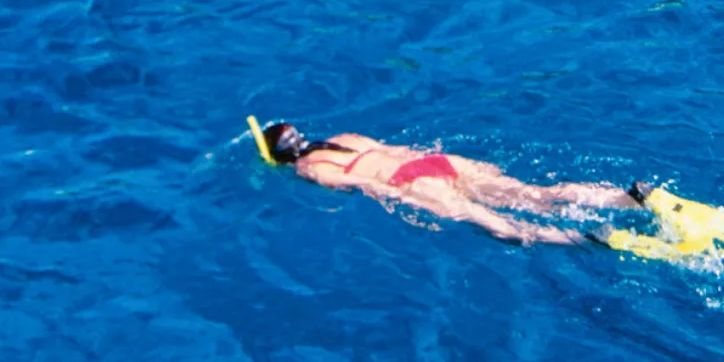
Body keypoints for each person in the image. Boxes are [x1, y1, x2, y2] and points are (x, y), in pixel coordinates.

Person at [254, 121, 640, 245]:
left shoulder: (309, 169)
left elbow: (373, 187)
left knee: (502, 227)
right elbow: (401, 150)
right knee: (535, 194)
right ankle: (627, 198)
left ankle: (586, 239)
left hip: (407, 181)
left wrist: (409, 201)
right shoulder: (347, 136)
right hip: (435, 162)